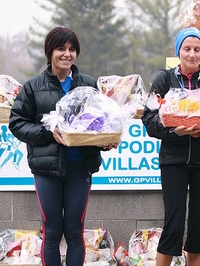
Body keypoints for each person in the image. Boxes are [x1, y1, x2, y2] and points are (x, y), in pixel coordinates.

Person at [8, 26, 118, 266]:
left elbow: (98, 124)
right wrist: (49, 133)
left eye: (71, 49)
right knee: (52, 231)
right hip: (46, 169)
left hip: (80, 167)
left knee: (74, 232)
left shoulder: (87, 84)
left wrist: (105, 142)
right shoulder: (33, 87)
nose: (67, 54)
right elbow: (17, 123)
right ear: (50, 52)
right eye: (61, 48)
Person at [141, 27, 200, 266]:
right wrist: (174, 132)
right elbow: (149, 120)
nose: (192, 54)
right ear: (178, 51)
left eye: (197, 49)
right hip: (174, 161)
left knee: (199, 221)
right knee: (174, 220)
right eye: (187, 48)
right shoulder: (164, 80)